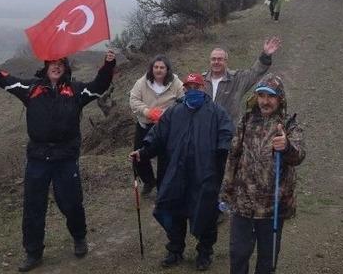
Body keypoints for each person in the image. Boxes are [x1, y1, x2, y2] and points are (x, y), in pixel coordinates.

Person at [0, 46, 116, 272]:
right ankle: (33, 253)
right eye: (52, 63)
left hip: (66, 157)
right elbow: (0, 77)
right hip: (38, 158)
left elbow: (99, 86)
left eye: (60, 64)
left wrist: (109, 64)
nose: (56, 67)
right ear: (46, 67)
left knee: (71, 202)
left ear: (65, 68)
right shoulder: (30, 88)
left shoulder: (76, 90)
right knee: (34, 206)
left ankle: (79, 237)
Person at [129, 73, 234, 271]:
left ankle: (204, 252)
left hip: (204, 175)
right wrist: (143, 152)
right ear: (184, 89)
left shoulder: (216, 112)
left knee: (205, 214)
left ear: (203, 88)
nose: (192, 90)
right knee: (173, 211)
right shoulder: (174, 112)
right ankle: (175, 250)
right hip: (175, 173)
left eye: (196, 87)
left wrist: (222, 149)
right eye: (189, 87)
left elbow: (227, 133)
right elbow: (157, 137)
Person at [221, 73, 306, 274]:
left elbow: (299, 156)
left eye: (271, 96)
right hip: (243, 203)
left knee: (267, 260)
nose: (265, 101)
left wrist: (286, 146)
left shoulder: (289, 124)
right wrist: (226, 191)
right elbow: (233, 156)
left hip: (272, 206)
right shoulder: (246, 120)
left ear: (280, 98)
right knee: (238, 254)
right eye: (261, 96)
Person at [129, 55, 184, 195]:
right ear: (152, 68)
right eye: (156, 67)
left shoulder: (176, 83)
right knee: (138, 157)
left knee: (165, 160)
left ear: (167, 69)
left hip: (166, 128)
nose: (158, 70)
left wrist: (166, 114)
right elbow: (133, 100)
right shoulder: (142, 82)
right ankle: (149, 181)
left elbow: (183, 101)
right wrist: (147, 111)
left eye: (162, 67)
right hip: (145, 124)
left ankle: (163, 190)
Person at [204, 36, 281, 123]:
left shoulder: (237, 79)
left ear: (226, 61)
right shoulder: (201, 81)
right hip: (205, 128)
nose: (216, 62)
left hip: (228, 129)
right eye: (213, 59)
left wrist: (265, 55)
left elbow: (255, 72)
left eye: (220, 59)